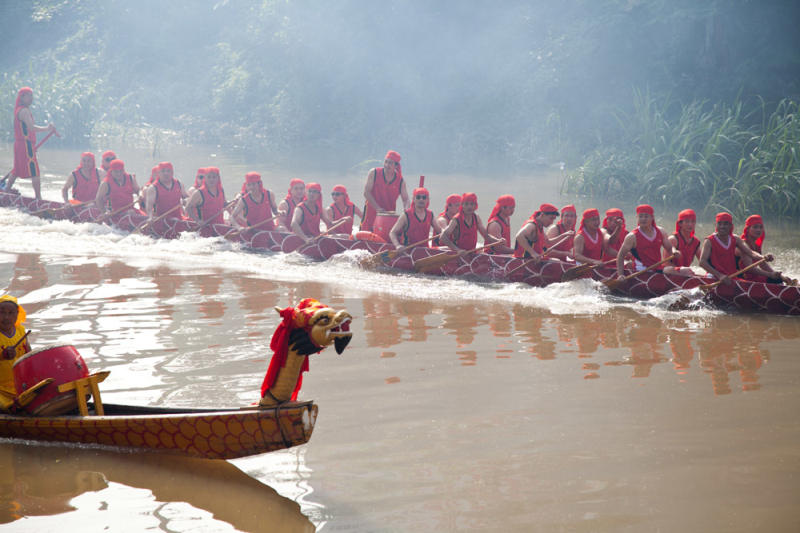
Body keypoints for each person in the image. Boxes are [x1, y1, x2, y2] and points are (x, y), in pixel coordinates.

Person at [5, 87, 56, 200]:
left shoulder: (20, 109)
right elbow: (31, 128)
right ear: (21, 98)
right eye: (27, 95)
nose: (30, 98)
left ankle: (6, 192)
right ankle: (38, 198)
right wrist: (48, 128)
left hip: (20, 144)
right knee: (35, 172)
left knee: (16, 170)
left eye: (31, 95)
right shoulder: (24, 111)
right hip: (25, 144)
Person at [699, 213, 771, 286]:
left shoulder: (735, 239)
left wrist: (764, 257)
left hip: (731, 277)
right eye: (719, 223)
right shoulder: (709, 241)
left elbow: (751, 253)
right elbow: (702, 262)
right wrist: (720, 275)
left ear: (731, 226)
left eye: (726, 224)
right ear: (715, 224)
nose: (722, 226)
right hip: (714, 277)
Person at [615, 205, 680, 282]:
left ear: (652, 218)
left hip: (657, 267)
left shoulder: (661, 231)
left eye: (646, 216)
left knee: (687, 271)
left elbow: (670, 248)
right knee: (671, 270)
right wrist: (621, 275)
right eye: (640, 216)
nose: (643, 219)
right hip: (642, 270)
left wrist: (674, 251)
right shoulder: (632, 236)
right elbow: (621, 255)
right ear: (637, 218)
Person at [361, 150, 410, 232]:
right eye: (385, 162)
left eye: (390, 163)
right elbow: (366, 192)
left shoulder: (400, 181)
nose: (387, 165)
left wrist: (406, 211)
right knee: (365, 237)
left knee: (385, 237)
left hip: (388, 216)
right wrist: (377, 208)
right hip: (371, 212)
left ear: (396, 166)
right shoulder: (374, 172)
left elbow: (406, 200)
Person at [389, 187, 444, 253]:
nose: (421, 199)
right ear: (413, 199)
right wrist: (397, 246)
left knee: (448, 248)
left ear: (428, 200)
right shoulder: (406, 215)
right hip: (408, 251)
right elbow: (392, 232)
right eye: (418, 197)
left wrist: (445, 231)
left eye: (424, 197)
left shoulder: (430, 214)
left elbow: (440, 230)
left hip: (424, 250)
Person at [0, 295, 31, 402]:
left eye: (11, 313)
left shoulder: (21, 331)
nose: (6, 317)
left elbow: (30, 356)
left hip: (20, 386)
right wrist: (3, 356)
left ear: (17, 314)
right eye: (2, 312)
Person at [737, 214, 783, 283]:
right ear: (748, 229)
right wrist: (770, 275)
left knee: (778, 279)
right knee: (775, 280)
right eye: (755, 227)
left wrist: (780, 276)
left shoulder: (756, 245)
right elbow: (750, 268)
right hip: (741, 279)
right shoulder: (743, 244)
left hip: (752, 278)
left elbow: (762, 264)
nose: (758, 230)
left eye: (761, 227)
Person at [664, 209, 701, 276]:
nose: (690, 224)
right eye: (687, 221)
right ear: (680, 223)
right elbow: (666, 263)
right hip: (672, 272)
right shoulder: (673, 239)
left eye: (692, 221)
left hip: (685, 272)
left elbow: (703, 262)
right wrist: (679, 270)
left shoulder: (696, 242)